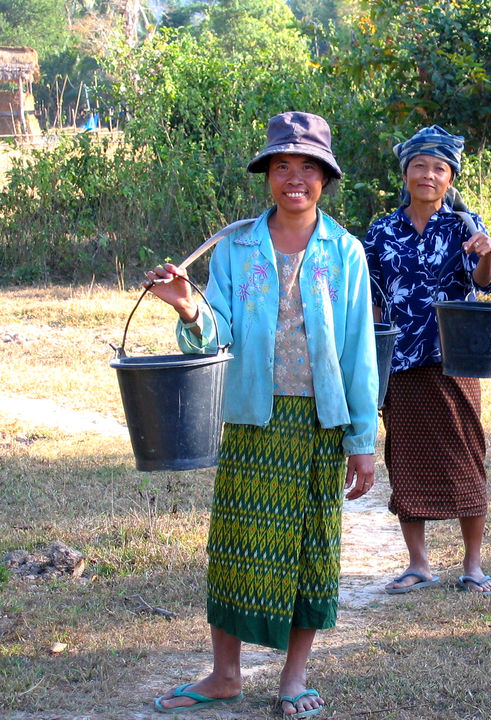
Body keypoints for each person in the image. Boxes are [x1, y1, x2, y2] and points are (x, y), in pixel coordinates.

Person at [146, 111, 378, 717]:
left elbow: (358, 351)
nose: (293, 177)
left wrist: (362, 437)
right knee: (235, 546)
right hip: (250, 418)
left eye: (307, 167)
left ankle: (293, 679)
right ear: (267, 175)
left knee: (308, 550)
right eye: (282, 166)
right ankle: (225, 675)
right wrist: (191, 308)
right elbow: (215, 331)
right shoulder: (236, 246)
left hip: (320, 424)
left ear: (325, 178)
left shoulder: (345, 252)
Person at [363, 125, 491, 596]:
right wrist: (374, 359)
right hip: (400, 361)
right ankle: (418, 563)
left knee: (467, 455)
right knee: (405, 456)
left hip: (455, 358)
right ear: (405, 174)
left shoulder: (465, 226)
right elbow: (373, 300)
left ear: (450, 178)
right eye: (419, 166)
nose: (428, 174)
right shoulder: (382, 230)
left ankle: (473, 565)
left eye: (439, 168)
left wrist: (485, 253)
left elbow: (486, 283)